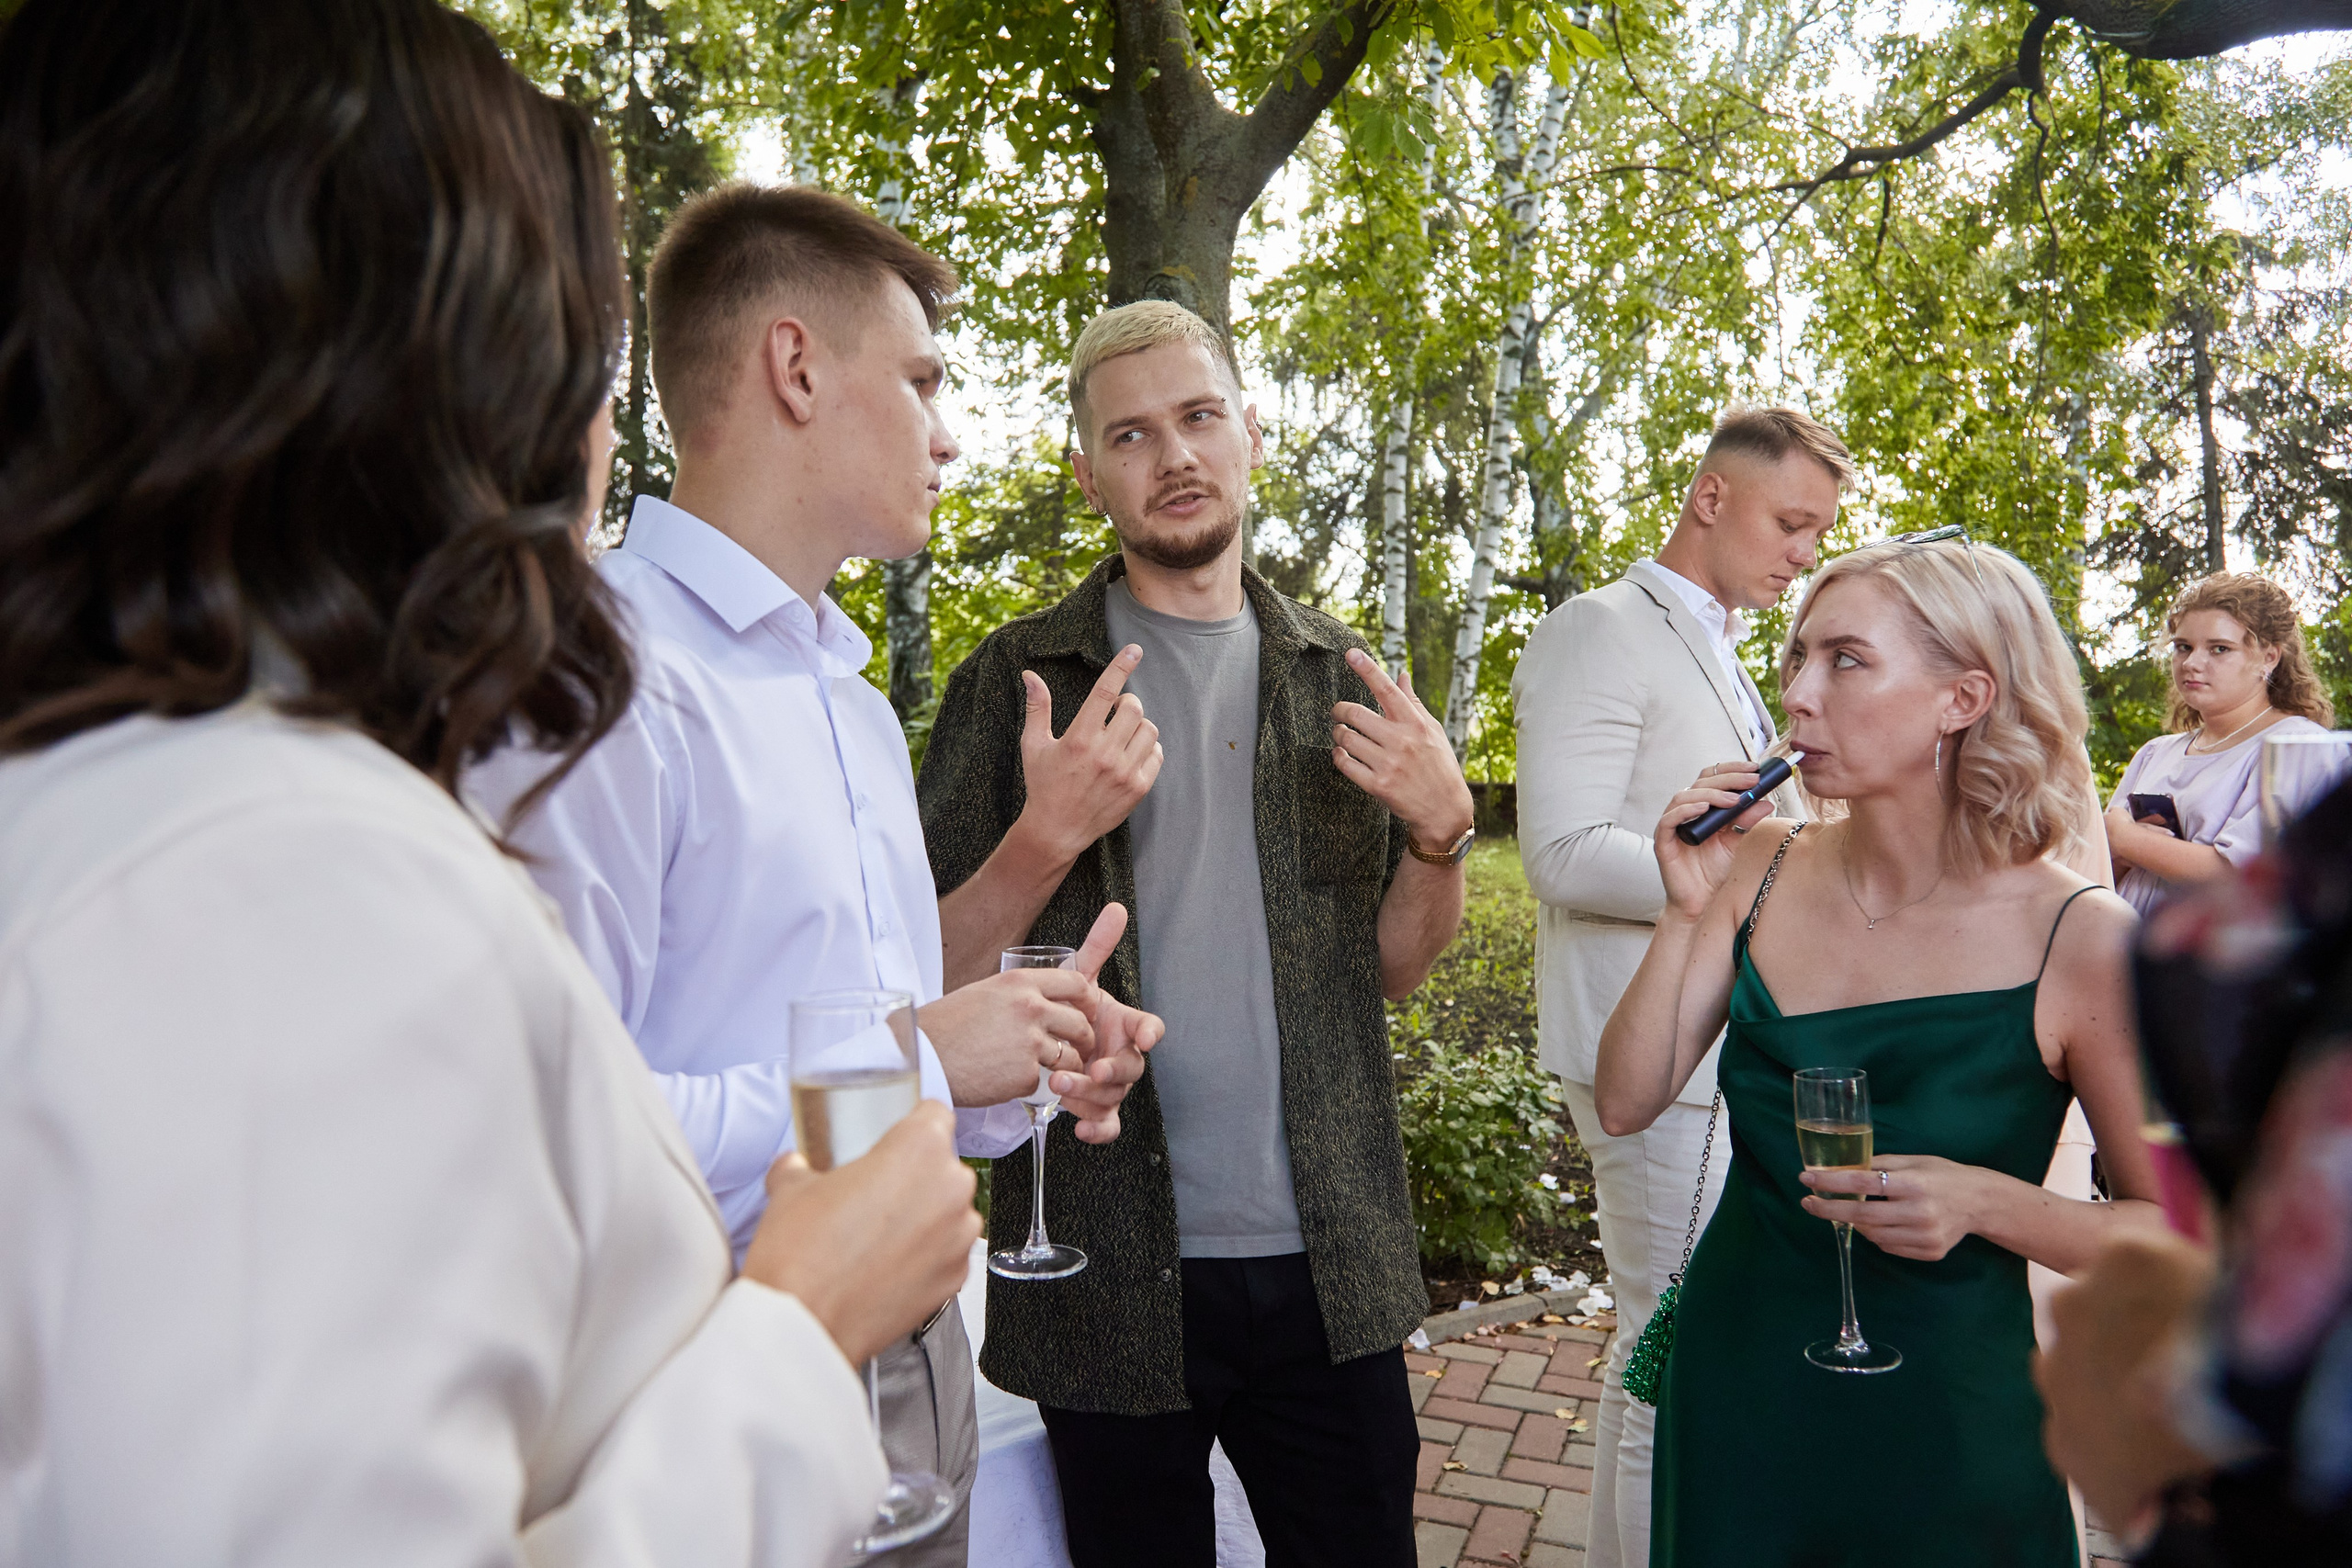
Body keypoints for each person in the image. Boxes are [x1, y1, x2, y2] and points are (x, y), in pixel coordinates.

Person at [0, 3, 979, 1563]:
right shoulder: (286, 877)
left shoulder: (108, 806)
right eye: (560, 343)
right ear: (433, 377)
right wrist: (798, 1332)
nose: (596, 421)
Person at [466, 182, 1161, 1568]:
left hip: (916, 1357)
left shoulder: (844, 688)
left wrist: (1011, 1067)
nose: (948, 431)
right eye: (921, 380)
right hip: (690, 1391)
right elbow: (539, 1129)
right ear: (796, 367)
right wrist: (918, 1062)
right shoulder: (591, 678)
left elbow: (885, 1027)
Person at [914, 299, 1474, 1567]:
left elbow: (1394, 966)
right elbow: (916, 966)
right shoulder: (1015, 682)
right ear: (1085, 470)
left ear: (1251, 436)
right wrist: (1042, 836)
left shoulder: (1344, 677)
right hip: (1104, 1261)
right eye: (1131, 432)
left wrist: (1440, 839)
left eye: (1200, 416)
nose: (1173, 454)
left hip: (1332, 1264)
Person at [1594, 532, 2171, 1567]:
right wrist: (1682, 914)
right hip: (1742, 1383)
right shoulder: (1757, 867)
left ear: (1964, 696)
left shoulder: (2081, 939)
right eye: (1797, 658)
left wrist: (1984, 1202)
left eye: (1846, 660)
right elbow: (1626, 1101)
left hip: (1954, 1414)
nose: (1799, 696)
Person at [1510, 405, 1843, 1568]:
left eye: (1818, 531)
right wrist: (1768, 869)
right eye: (1792, 521)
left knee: (1680, 1345)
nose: (1805, 551)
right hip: (1642, 1049)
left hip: (1719, 1046)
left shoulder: (1724, 648)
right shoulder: (1598, 629)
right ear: (1710, 496)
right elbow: (1558, 851)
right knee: (1676, 1346)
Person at [2106, 571, 2339, 914]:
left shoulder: (2298, 748)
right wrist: (2114, 853)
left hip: (2214, 958)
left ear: (2268, 658)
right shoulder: (2156, 752)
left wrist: (2125, 839)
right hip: (2124, 949)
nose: (2191, 663)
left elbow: (2245, 877)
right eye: (2183, 647)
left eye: (2219, 649)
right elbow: (2098, 873)